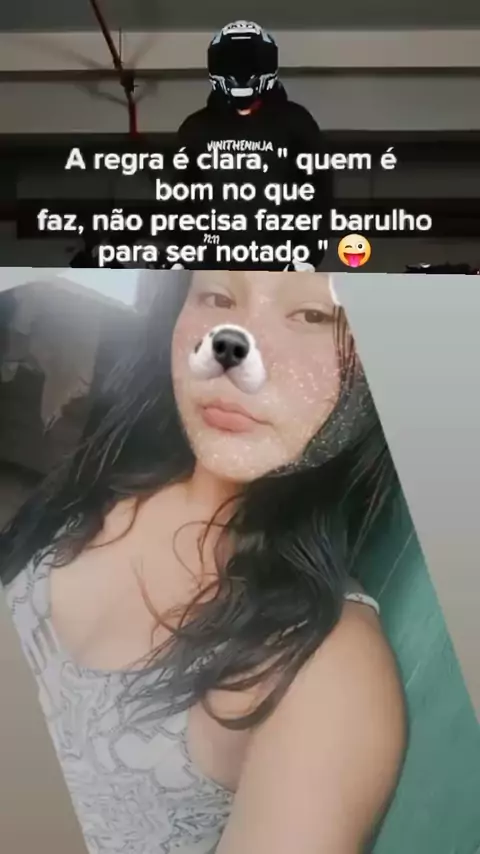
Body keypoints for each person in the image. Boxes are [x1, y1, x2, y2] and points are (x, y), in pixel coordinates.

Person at [1, 270, 406, 854]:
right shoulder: (106, 481)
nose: (234, 341)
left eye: (313, 315)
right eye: (217, 296)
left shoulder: (327, 670)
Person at [172, 22, 332, 272]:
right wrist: (180, 258)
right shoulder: (196, 128)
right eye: (232, 63)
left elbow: (319, 193)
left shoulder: (296, 123)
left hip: (279, 264)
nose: (240, 72)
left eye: (248, 63)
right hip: (210, 263)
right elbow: (178, 198)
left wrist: (307, 257)